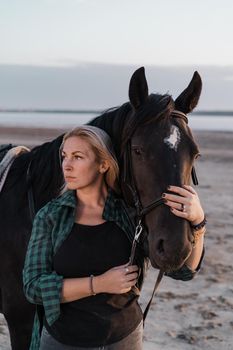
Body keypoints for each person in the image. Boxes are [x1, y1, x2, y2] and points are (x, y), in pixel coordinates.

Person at [23, 125, 206, 350]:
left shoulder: (130, 215)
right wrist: (99, 283)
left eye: (78, 157)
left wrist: (198, 223)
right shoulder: (50, 216)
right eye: (64, 156)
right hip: (63, 340)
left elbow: (183, 272)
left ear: (103, 164)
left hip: (124, 339)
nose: (67, 166)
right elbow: (33, 287)